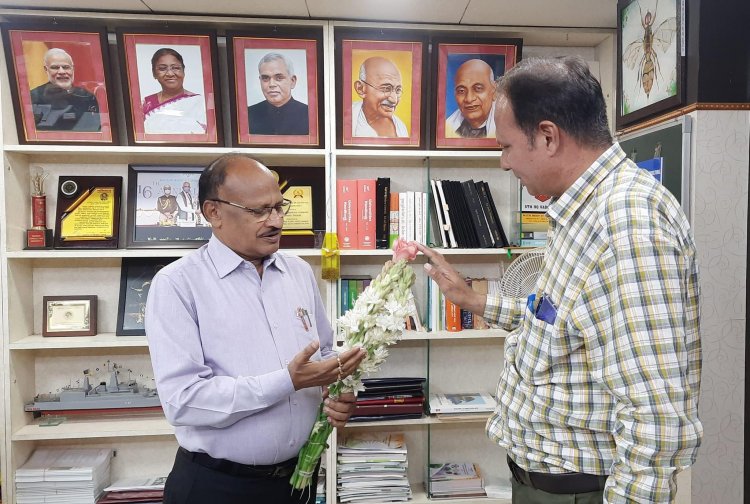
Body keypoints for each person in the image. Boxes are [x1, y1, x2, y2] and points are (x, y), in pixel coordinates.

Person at [417, 56, 701, 503]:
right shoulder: (581, 212)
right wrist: (474, 300)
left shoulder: (628, 220)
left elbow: (656, 417)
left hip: (580, 491)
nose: (505, 164)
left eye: (507, 146)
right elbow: (563, 323)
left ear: (548, 136)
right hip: (544, 483)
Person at [145, 154, 366, 504]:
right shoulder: (177, 284)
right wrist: (288, 381)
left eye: (280, 207)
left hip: (296, 482)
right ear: (213, 212)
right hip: (217, 488)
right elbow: (184, 402)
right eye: (259, 211)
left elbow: (323, 358)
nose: (276, 221)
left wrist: (337, 395)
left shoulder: (299, 272)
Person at [29, 48, 101, 131]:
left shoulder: (87, 96)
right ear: (46, 69)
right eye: (55, 67)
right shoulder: (33, 96)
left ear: (72, 69)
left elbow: (96, 128)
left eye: (66, 67)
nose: (61, 71)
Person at [142, 48, 207, 134]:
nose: (170, 74)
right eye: (162, 68)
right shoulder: (147, 103)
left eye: (176, 68)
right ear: (154, 73)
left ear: (183, 71)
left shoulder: (200, 102)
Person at [247, 53, 309, 135]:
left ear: (292, 81)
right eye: (265, 78)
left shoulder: (309, 114)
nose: (271, 84)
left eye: (279, 78)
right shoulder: (248, 114)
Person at [352, 56, 408, 138]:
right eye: (386, 89)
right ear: (360, 89)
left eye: (398, 90)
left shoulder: (401, 128)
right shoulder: (346, 120)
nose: (394, 100)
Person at [445, 59, 496, 138]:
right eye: (461, 91)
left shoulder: (505, 128)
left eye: (478, 88)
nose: (469, 99)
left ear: (494, 91)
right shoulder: (448, 127)